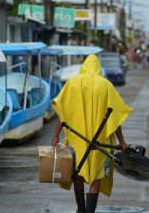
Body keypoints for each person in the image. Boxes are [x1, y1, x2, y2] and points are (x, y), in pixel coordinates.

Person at [51, 54, 133, 213]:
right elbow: (115, 118)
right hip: (100, 142)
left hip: (76, 140)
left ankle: (81, 209)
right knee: (96, 176)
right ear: (98, 68)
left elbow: (62, 113)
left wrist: (55, 136)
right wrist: (122, 141)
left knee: (77, 174)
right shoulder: (106, 85)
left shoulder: (72, 83)